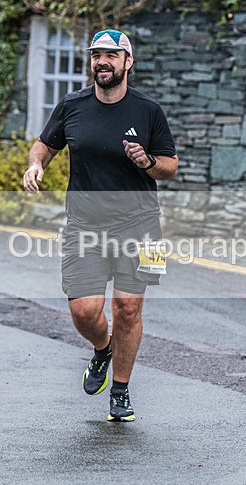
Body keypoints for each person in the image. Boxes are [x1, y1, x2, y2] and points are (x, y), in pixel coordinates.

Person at [23, 29, 178, 422]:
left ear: (128, 62)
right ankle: (103, 348)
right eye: (96, 55)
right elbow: (44, 144)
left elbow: (170, 167)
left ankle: (120, 391)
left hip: (141, 224)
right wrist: (36, 164)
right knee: (83, 310)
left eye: (111, 55)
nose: (102, 62)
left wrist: (147, 162)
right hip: (84, 225)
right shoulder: (72, 106)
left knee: (128, 307)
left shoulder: (149, 111)